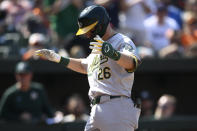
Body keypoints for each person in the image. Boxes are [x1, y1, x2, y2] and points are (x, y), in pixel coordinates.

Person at [35, 5, 141, 131]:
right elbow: (84, 66)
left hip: (116, 106)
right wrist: (59, 59)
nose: (87, 35)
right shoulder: (98, 46)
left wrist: (113, 53)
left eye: (89, 30)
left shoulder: (121, 40)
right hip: (97, 109)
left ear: (100, 25)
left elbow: (133, 63)